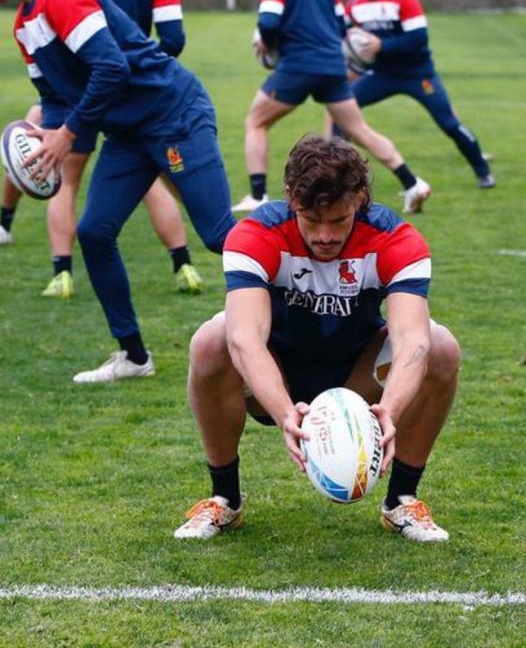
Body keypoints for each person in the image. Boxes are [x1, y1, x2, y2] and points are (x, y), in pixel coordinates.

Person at [0, 0, 237, 383]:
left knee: (217, 234)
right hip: (128, 132)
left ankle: (299, 284)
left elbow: (110, 67)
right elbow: (54, 98)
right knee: (94, 231)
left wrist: (68, 134)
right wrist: (41, 137)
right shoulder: (24, 28)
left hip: (174, 114)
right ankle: (133, 356)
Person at [175, 135, 459, 542]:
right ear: (290, 197)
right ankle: (224, 500)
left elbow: (412, 340)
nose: (325, 234)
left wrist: (390, 412)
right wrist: (284, 411)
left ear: (360, 199)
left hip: (357, 377)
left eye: (339, 220)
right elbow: (244, 338)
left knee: (442, 346)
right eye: (311, 219)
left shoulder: (398, 240)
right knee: (211, 339)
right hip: (277, 375)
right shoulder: (256, 233)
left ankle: (401, 501)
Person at [0, 0, 203, 297]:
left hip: (75, 93)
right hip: (131, 97)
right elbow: (174, 39)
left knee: (64, 179)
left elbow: (45, 8)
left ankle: (62, 273)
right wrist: (142, 69)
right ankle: (183, 265)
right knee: (149, 181)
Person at [233, 0, 431, 216]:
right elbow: (341, 28)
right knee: (358, 129)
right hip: (331, 67)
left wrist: (268, 43)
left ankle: (258, 195)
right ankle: (412, 182)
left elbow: (270, 23)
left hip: (297, 67)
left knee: (255, 122)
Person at [340, 0, 494, 188]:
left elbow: (419, 38)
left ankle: (482, 171)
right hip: (382, 75)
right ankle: (337, 177)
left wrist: (382, 45)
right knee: (342, 110)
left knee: (449, 124)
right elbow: (343, 35)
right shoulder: (354, 4)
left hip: (418, 75)